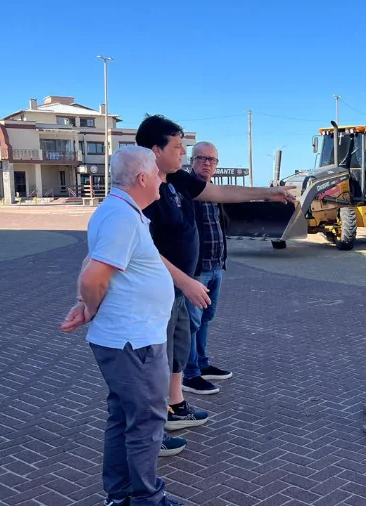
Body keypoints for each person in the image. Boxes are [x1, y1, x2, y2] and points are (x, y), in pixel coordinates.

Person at [134, 114, 295, 455]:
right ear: (156, 149)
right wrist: (186, 280)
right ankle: (149, 432)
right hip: (158, 291)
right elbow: (140, 247)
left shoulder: (176, 178)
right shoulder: (143, 186)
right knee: (154, 362)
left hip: (179, 288)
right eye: (178, 148)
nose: (183, 154)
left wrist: (269, 193)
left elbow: (219, 191)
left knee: (178, 350)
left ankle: (175, 408)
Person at [60, 146, 183, 506]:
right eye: (159, 174)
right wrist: (89, 305)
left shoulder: (119, 211)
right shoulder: (122, 217)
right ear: (143, 178)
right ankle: (145, 499)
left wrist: (87, 304)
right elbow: (93, 275)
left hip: (129, 339)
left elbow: (93, 261)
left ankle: (120, 495)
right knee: (145, 423)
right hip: (134, 342)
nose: (163, 180)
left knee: (123, 417)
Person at [181, 142, 233, 395]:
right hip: (196, 270)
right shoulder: (185, 189)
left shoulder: (214, 191)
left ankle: (202, 364)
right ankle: (189, 374)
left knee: (205, 319)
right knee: (191, 322)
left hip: (216, 266)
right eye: (202, 158)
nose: (207, 163)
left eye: (212, 160)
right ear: (191, 160)